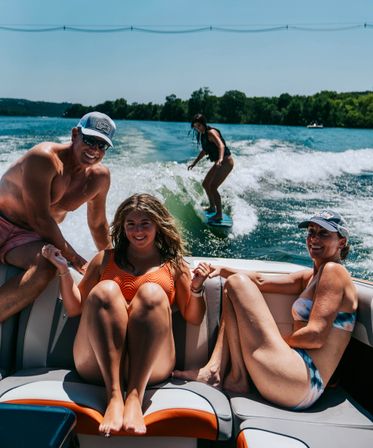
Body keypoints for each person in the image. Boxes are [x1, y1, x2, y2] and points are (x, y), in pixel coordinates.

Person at [42, 193, 210, 436]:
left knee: (152, 292)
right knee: (105, 289)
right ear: (122, 226)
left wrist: (197, 288)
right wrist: (62, 270)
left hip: (153, 366)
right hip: (97, 363)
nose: (137, 231)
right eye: (130, 224)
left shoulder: (174, 265)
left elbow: (193, 318)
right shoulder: (104, 259)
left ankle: (134, 397)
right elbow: (74, 308)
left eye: (145, 224)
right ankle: (114, 396)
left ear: (158, 225)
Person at [174, 210, 358, 410]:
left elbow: (315, 336)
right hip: (297, 382)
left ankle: (221, 372)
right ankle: (233, 376)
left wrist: (278, 342)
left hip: (301, 379)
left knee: (236, 284)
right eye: (311, 232)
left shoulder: (334, 271)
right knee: (232, 285)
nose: (314, 238)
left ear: (341, 242)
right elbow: (261, 280)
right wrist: (221, 270)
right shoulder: (311, 276)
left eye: (324, 234)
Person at [0, 111, 116, 322]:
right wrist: (75, 258)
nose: (94, 150)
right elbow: (40, 218)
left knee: (47, 266)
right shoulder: (44, 158)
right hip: (3, 219)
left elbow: (98, 225)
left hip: (28, 238)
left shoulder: (99, 178)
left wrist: (113, 265)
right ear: (74, 134)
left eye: (102, 146)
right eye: (89, 140)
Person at [188, 114, 234, 222]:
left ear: (203, 123)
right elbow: (205, 150)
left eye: (199, 126)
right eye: (195, 127)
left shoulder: (211, 132)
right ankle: (212, 207)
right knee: (205, 184)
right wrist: (194, 163)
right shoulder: (203, 134)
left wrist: (220, 159)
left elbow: (221, 146)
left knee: (213, 187)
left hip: (226, 162)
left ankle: (219, 214)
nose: (197, 128)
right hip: (220, 162)